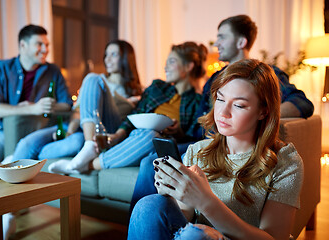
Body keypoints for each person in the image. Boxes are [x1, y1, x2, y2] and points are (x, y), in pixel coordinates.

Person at [129, 14, 314, 213]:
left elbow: (302, 103)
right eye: (221, 99)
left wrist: (257, 113)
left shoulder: (265, 75)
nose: (216, 43)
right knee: (155, 164)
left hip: (226, 142)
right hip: (199, 142)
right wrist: (178, 127)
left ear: (241, 41)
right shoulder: (216, 77)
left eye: (222, 37)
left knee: (149, 163)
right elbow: (201, 121)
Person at [128, 59, 304, 240]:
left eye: (239, 105)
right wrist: (176, 192)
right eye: (220, 99)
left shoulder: (285, 161)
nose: (223, 112)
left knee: (194, 235)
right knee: (149, 205)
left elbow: (274, 237)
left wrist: (206, 202)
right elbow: (185, 216)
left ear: (263, 111)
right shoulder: (197, 151)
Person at [48, 41, 207, 174]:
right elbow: (136, 113)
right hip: (130, 134)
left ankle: (87, 165)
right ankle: (90, 145)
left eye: (172, 61)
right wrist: (117, 135)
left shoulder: (198, 102)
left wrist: (178, 131)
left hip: (149, 141)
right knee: (92, 78)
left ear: (188, 66)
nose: (165, 66)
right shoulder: (158, 87)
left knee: (150, 135)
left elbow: (195, 136)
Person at [7, 39, 142, 164]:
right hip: (76, 127)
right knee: (27, 143)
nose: (108, 59)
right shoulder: (97, 82)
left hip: (105, 130)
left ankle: (22, 158)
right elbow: (78, 111)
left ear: (125, 58)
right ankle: (15, 162)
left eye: (114, 54)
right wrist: (69, 132)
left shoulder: (139, 93)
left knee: (76, 143)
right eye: (106, 55)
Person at [0, 24, 72, 166]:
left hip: (31, 133)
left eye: (47, 45)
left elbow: (66, 104)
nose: (45, 49)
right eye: (39, 44)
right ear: (23, 45)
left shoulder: (53, 71)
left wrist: (47, 106)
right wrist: (32, 108)